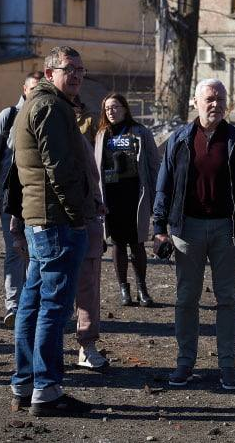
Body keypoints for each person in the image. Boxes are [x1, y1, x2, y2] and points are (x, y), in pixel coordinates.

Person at [153, 78, 235, 391]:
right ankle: (185, 363)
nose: (215, 104)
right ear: (196, 102)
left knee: (227, 298)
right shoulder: (180, 139)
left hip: (227, 230)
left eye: (220, 99)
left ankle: (227, 365)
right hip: (187, 228)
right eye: (210, 99)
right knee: (186, 297)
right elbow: (164, 185)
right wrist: (159, 229)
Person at [9, 46, 96, 416]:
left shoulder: (41, 104)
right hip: (56, 222)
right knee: (53, 308)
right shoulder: (50, 107)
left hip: (42, 220)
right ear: (49, 74)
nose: (76, 75)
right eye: (68, 69)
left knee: (33, 303)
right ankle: (46, 389)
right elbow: (59, 169)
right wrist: (77, 215)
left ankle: (25, 383)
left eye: (80, 69)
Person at [0, 73, 40, 327]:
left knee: (36, 252)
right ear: (24, 89)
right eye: (32, 88)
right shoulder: (8, 116)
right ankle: (14, 306)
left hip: (38, 197)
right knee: (15, 251)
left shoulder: (45, 116)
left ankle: (31, 305)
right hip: (10, 197)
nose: (36, 93)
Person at [94, 93, 160, 307]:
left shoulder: (140, 132)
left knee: (137, 242)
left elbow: (153, 164)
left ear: (124, 108)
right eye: (107, 109)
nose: (111, 112)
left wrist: (157, 196)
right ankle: (124, 289)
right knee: (117, 243)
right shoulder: (102, 134)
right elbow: (96, 168)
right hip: (111, 196)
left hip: (135, 195)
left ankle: (142, 289)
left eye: (115, 107)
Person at [76, 135, 108, 370]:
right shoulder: (31, 129)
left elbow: (92, 176)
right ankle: (44, 353)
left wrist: (96, 207)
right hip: (46, 226)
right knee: (48, 295)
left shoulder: (77, 138)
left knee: (87, 290)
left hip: (84, 223)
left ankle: (87, 346)